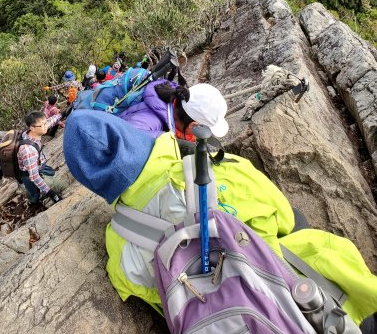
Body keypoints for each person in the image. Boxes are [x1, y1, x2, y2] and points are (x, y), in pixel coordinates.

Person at [63, 100, 377, 330]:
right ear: (135, 137)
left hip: (225, 323)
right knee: (299, 228)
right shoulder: (218, 169)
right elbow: (282, 217)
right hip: (315, 306)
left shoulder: (116, 246)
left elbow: (162, 304)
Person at [18, 111, 63, 207]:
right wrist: (51, 193)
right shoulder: (28, 150)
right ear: (32, 128)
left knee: (50, 176)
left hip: (38, 166)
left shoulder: (32, 132)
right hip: (29, 174)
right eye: (42, 125)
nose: (46, 126)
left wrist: (62, 114)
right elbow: (34, 176)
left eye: (45, 123)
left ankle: (36, 193)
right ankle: (32, 201)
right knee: (34, 195)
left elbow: (50, 121)